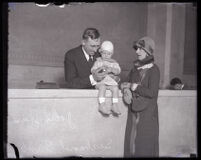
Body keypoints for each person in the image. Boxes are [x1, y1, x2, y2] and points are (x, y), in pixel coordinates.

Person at [121, 37, 160, 157]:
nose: (137, 51)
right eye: (136, 48)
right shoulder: (135, 69)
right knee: (132, 144)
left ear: (148, 51)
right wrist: (126, 89)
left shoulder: (154, 70)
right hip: (134, 111)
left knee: (144, 146)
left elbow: (152, 93)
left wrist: (134, 87)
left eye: (140, 49)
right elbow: (124, 83)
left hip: (147, 115)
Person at [91, 41, 121, 116]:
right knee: (102, 87)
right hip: (101, 81)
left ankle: (115, 105)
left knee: (115, 88)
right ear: (100, 52)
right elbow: (92, 70)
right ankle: (102, 105)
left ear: (112, 54)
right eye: (104, 53)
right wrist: (99, 69)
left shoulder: (113, 63)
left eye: (108, 54)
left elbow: (118, 71)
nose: (106, 55)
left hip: (110, 82)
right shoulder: (98, 61)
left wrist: (112, 69)